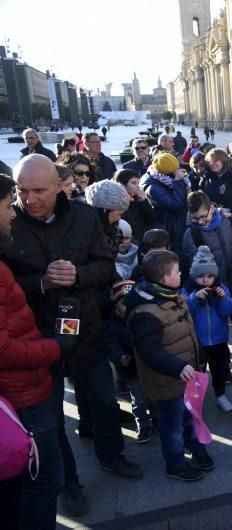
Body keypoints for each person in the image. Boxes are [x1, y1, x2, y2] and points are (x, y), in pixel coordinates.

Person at [8, 155, 142, 516]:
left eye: (38, 190)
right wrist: (40, 281)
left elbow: (105, 266)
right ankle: (68, 482)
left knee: (102, 400)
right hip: (37, 337)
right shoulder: (8, 223)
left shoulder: (84, 217)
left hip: (87, 332)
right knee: (50, 419)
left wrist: (78, 275)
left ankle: (112, 456)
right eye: (22, 191)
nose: (29, 199)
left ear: (58, 185)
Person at [0, 173, 63, 528]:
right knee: (42, 481)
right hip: (20, 394)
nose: (14, 212)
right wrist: (54, 346)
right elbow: (3, 348)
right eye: (9, 203)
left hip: (22, 387)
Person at [126, 250, 214, 481]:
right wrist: (176, 366)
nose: (182, 273)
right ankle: (175, 463)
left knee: (189, 414)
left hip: (185, 374)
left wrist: (198, 356)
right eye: (177, 271)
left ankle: (194, 446)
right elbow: (148, 350)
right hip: (168, 379)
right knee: (171, 424)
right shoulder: (146, 312)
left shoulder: (171, 295)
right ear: (165, 279)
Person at [182, 191, 232, 349]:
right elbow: (193, 268)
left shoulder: (230, 222)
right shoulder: (191, 234)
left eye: (203, 216)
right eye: (195, 218)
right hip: (211, 290)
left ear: (211, 208)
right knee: (216, 336)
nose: (200, 221)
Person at [182, 245, 232, 411]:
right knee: (197, 372)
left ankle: (220, 394)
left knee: (219, 370)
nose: (205, 280)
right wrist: (193, 299)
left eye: (209, 276)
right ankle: (196, 398)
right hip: (197, 340)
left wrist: (221, 299)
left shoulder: (221, 288)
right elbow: (184, 312)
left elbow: (228, 311)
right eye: (201, 276)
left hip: (218, 339)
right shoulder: (187, 291)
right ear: (194, 276)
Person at [105, 280, 153, 443]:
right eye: (125, 303)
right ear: (116, 306)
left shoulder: (145, 319)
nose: (130, 307)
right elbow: (111, 346)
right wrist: (120, 357)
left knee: (155, 397)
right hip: (132, 370)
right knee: (139, 400)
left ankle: (158, 421)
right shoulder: (112, 326)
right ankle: (143, 424)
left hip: (150, 367)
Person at [141, 152, 188, 251]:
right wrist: (178, 181)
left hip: (174, 225)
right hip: (169, 228)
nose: (177, 171)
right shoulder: (152, 187)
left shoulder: (158, 177)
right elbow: (176, 205)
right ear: (167, 173)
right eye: (175, 170)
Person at [114, 169, 155, 244]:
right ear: (121, 184)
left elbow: (150, 219)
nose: (138, 186)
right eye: (134, 183)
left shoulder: (137, 199)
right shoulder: (116, 203)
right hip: (126, 243)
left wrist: (144, 201)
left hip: (141, 241)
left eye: (138, 183)